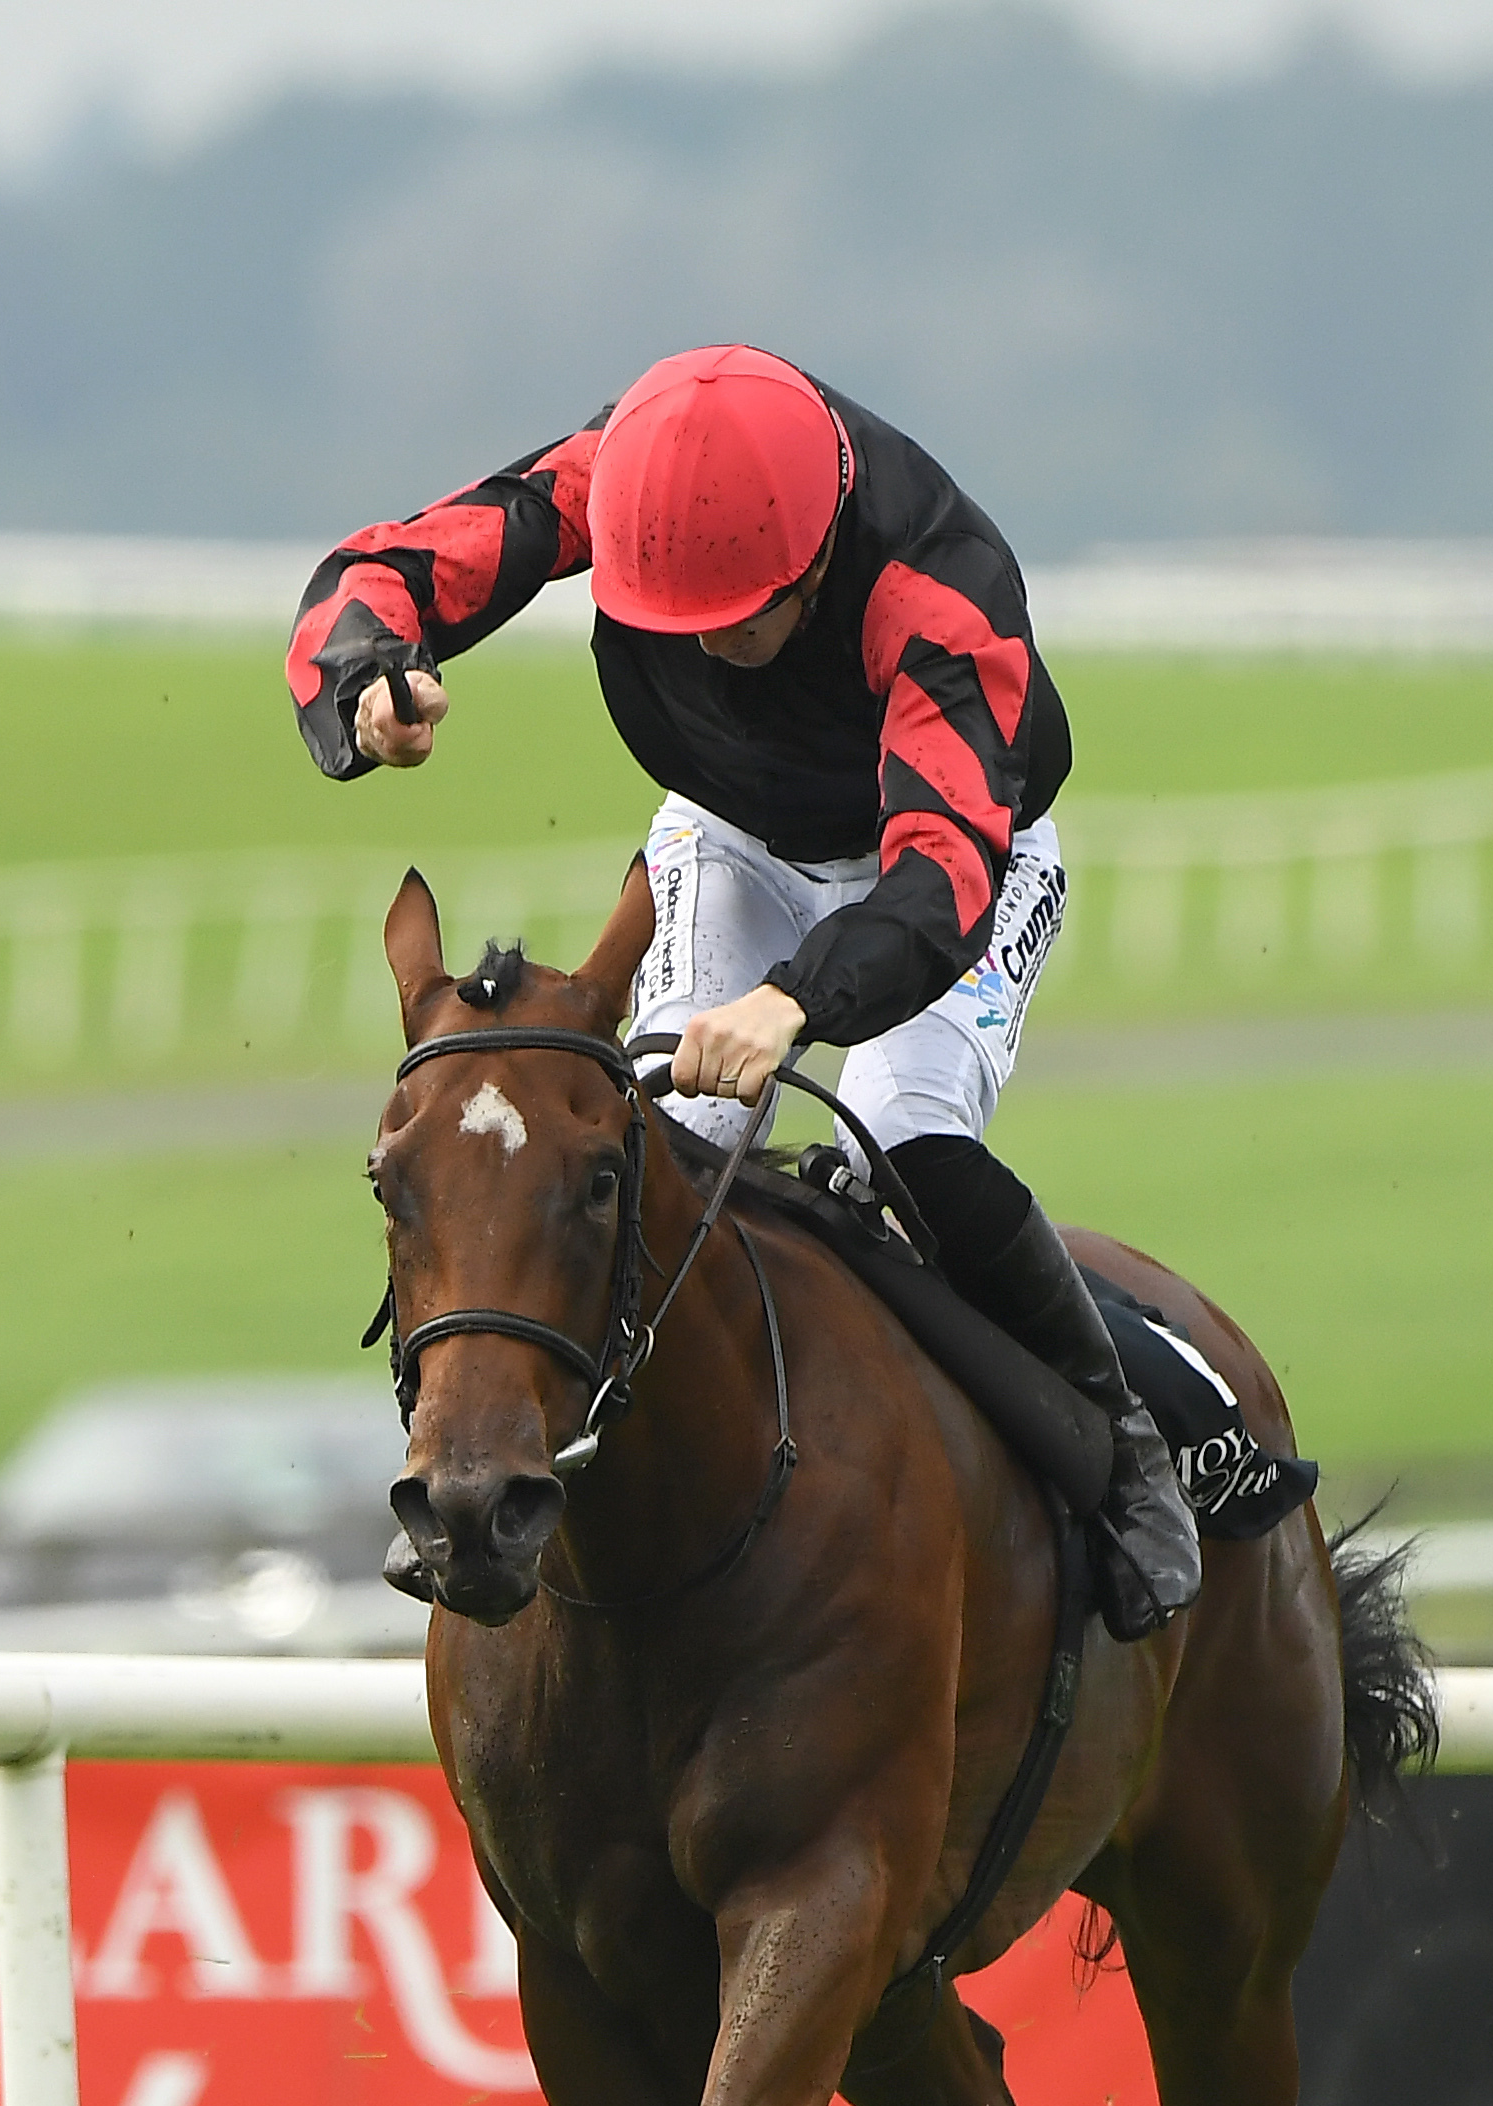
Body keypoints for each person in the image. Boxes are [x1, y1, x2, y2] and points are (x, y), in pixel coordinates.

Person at [287, 341, 1202, 1637]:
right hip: (728, 837)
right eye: (677, 619)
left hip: (946, 860)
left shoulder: (942, 591)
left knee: (905, 1140)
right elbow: (375, 573)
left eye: (742, 614)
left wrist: (793, 1003)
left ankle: (1122, 1449)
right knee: (663, 1149)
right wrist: (360, 675)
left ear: (819, 557)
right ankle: (523, 1459)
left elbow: (936, 882)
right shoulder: (611, 483)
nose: (712, 648)